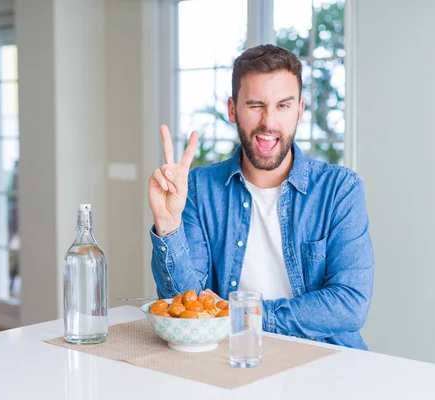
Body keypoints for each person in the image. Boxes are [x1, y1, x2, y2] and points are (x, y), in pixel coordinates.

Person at [148, 44, 374, 350]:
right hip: (232, 358)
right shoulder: (199, 188)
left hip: (325, 361)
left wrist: (244, 315)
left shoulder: (340, 190)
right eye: (255, 105)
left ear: (300, 110)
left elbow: (350, 304)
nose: (269, 122)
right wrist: (168, 224)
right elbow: (186, 305)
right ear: (233, 110)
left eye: (283, 105)